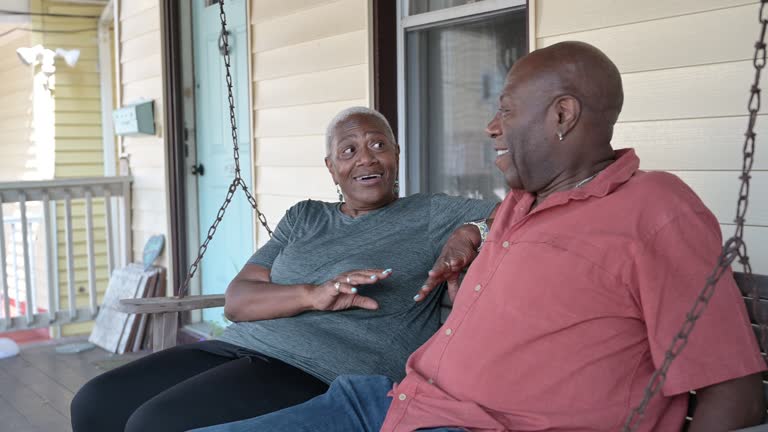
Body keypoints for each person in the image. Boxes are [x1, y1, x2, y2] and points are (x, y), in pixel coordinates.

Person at [191, 41, 767, 432]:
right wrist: (474, 229)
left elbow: (735, 394)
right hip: (385, 401)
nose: (491, 126)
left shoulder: (654, 210)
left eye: (507, 111)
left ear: (562, 115)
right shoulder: (520, 205)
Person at [69, 107, 498, 432]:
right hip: (239, 346)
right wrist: (313, 294)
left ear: (397, 155)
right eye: (349, 150)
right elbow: (238, 303)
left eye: (378, 145)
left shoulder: (430, 212)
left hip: (322, 370)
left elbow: (521, 210)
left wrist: (471, 230)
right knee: (94, 402)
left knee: (155, 424)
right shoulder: (304, 217)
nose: (366, 159)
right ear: (331, 168)